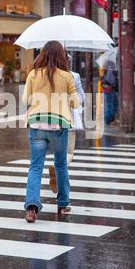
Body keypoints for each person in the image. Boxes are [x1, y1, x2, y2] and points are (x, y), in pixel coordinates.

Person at [22, 41, 79, 223]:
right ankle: (62, 204)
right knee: (60, 165)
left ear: (43, 54)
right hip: (58, 125)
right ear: (62, 56)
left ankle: (31, 207)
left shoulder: (33, 74)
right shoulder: (67, 76)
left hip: (36, 125)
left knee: (35, 166)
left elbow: (26, 99)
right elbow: (75, 103)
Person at [48, 54, 85, 193]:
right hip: (68, 119)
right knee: (68, 152)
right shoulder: (74, 76)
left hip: (52, 119)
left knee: (58, 151)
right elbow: (81, 97)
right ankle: (57, 174)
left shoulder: (48, 75)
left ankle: (57, 174)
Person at [102, 60, 118, 126]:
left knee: (111, 104)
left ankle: (110, 119)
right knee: (110, 105)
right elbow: (111, 80)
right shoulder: (110, 70)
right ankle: (109, 120)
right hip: (110, 89)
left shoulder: (106, 69)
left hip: (107, 89)